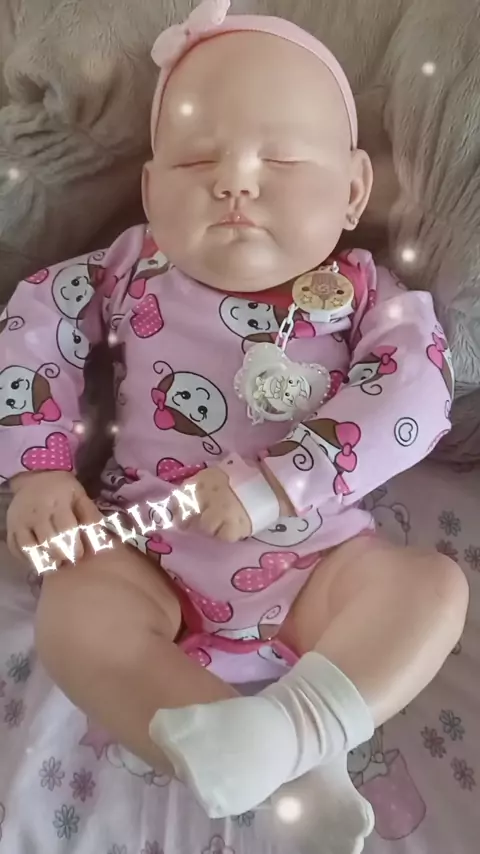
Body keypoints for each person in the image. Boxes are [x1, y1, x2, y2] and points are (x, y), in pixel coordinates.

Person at [1, 0, 468, 850]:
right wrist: (39, 468)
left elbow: (414, 393)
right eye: (196, 160)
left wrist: (285, 481)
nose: (236, 182)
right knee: (77, 613)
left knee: (432, 590)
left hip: (320, 560)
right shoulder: (129, 269)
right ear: (151, 191)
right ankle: (265, 758)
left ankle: (297, 727)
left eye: (280, 158)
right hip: (147, 553)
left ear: (354, 189)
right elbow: (37, 322)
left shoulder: (368, 295)